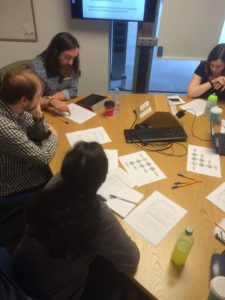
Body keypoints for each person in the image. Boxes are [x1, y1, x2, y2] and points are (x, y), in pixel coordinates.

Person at [13, 141, 140, 300]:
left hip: (18, 271)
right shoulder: (98, 215)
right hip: (53, 294)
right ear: (102, 179)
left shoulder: (55, 183)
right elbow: (130, 261)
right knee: (117, 275)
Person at [0, 68, 58, 204]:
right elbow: (43, 158)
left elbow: (39, 134)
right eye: (38, 96)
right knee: (63, 179)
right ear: (24, 100)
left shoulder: (14, 107)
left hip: (25, 165)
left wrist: (38, 115)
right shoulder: (4, 126)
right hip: (12, 183)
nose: (41, 100)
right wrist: (54, 136)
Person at [29, 32, 80, 113]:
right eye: (67, 57)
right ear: (55, 52)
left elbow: (74, 90)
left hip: (62, 107)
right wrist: (52, 101)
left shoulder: (71, 63)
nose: (71, 63)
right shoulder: (38, 67)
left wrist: (51, 98)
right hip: (40, 112)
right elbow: (33, 101)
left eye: (73, 58)